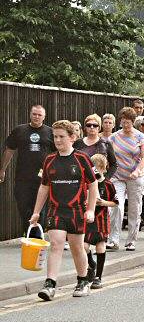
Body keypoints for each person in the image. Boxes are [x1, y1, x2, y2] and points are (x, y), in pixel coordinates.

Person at [30, 120, 98, 301]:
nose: (57, 140)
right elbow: (44, 187)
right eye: (55, 137)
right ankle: (50, 284)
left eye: (61, 137)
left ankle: (83, 280)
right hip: (55, 210)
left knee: (77, 248)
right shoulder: (49, 160)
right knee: (57, 244)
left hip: (76, 211)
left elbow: (93, 184)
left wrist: (90, 209)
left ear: (73, 138)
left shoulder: (82, 159)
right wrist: (36, 212)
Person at [0, 105, 55, 238]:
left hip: (43, 178)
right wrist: (2, 169)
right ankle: (30, 234)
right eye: (34, 114)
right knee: (24, 208)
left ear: (44, 116)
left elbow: (56, 154)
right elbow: (9, 150)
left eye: (39, 115)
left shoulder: (50, 132)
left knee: (40, 210)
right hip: (22, 177)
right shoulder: (20, 130)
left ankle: (36, 238)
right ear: (30, 114)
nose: (36, 117)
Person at [107, 107, 144, 251]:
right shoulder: (113, 137)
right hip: (117, 176)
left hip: (135, 176)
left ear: (133, 121)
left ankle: (131, 240)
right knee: (116, 206)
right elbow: (109, 157)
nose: (125, 125)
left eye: (128, 123)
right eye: (123, 122)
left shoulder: (140, 137)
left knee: (134, 209)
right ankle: (113, 240)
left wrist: (137, 171)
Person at [84, 154, 118, 289]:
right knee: (84, 247)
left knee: (100, 246)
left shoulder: (109, 184)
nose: (95, 172)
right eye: (93, 169)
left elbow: (115, 203)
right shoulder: (86, 183)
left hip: (101, 219)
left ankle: (98, 277)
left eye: (98, 169)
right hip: (88, 219)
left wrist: (103, 202)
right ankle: (91, 264)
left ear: (104, 169)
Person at [73, 114, 117, 180]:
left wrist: (106, 179)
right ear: (85, 127)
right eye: (88, 125)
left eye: (95, 125)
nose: (92, 127)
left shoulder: (105, 143)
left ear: (99, 127)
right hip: (81, 180)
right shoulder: (78, 143)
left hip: (99, 180)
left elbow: (114, 165)